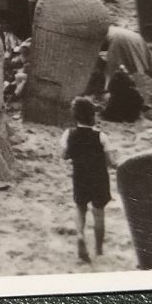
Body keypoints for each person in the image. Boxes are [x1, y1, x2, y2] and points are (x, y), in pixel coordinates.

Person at [61, 96, 113, 263]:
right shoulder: (101, 136)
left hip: (80, 177)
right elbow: (109, 162)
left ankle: (80, 235)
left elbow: (64, 155)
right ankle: (98, 249)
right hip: (99, 179)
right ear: (93, 116)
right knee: (99, 213)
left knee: (80, 208)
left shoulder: (68, 134)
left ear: (75, 116)